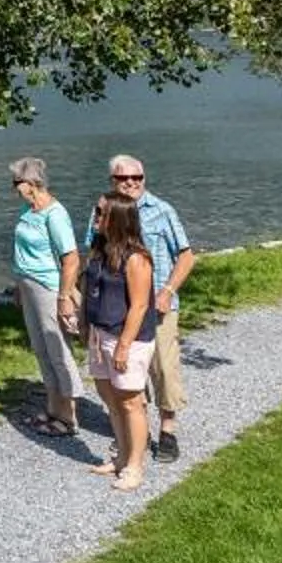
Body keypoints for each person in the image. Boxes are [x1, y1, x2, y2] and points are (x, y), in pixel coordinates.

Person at [108, 155, 196, 461]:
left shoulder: (161, 210)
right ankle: (138, 429)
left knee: (163, 367)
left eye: (137, 177)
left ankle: (167, 431)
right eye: (123, 178)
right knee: (127, 367)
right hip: (119, 305)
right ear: (113, 181)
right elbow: (92, 252)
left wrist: (168, 290)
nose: (131, 182)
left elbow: (186, 257)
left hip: (158, 307)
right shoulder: (106, 212)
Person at [79, 192, 160, 490]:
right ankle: (121, 456)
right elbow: (91, 289)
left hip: (128, 340)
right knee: (109, 398)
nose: (95, 216)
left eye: (101, 212)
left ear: (118, 217)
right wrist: (86, 325)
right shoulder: (100, 250)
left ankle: (135, 466)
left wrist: (124, 345)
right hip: (101, 334)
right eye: (96, 210)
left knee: (130, 402)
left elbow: (139, 306)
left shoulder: (137, 258)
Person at [7, 158, 84, 437]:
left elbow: (71, 259)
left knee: (58, 349)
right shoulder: (28, 212)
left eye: (17, 182)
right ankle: (53, 406)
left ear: (32, 183)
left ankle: (69, 414)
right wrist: (18, 284)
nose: (14, 188)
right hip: (29, 286)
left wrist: (64, 297)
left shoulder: (55, 214)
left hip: (49, 287)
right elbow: (21, 253)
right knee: (40, 348)